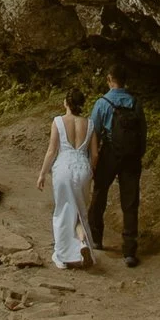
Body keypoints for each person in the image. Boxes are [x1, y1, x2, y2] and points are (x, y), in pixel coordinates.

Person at [87, 61, 147, 264]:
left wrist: (93, 158)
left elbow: (93, 132)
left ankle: (96, 238)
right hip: (131, 157)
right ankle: (129, 250)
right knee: (130, 203)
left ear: (110, 80)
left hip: (110, 153)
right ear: (125, 81)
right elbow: (143, 133)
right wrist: (138, 154)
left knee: (99, 193)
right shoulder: (135, 103)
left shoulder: (103, 103)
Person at [36, 87, 97, 269]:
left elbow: (51, 151)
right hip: (83, 168)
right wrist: (91, 171)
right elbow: (94, 154)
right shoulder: (90, 124)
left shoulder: (58, 121)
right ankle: (83, 243)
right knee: (80, 210)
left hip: (64, 168)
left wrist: (42, 174)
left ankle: (63, 256)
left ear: (66, 103)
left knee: (63, 211)